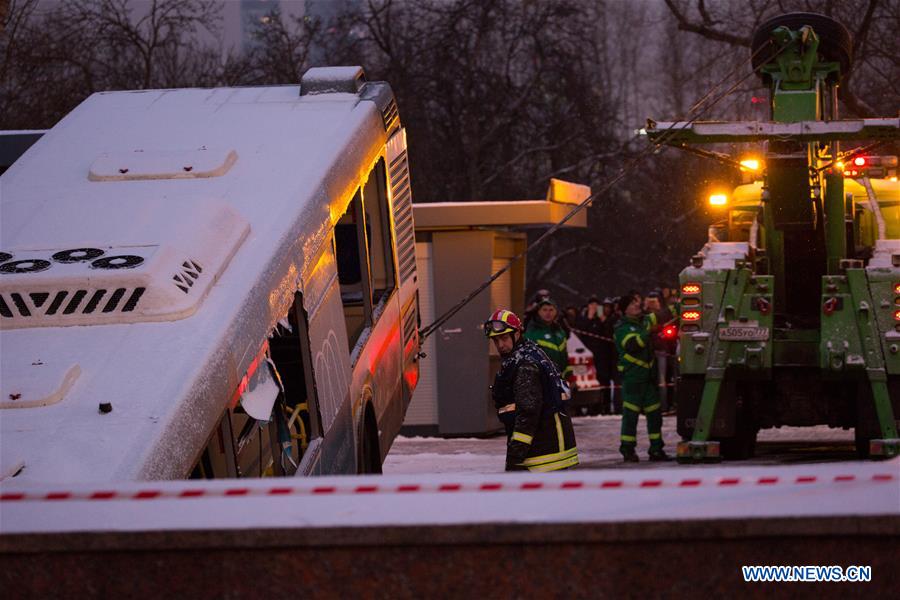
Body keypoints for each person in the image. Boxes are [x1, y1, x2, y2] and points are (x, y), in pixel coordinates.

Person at [485, 309, 578, 472]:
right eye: (496, 340)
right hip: (547, 449)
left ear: (517, 334)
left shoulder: (525, 365)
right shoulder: (526, 354)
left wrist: (515, 455)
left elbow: (528, 412)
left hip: (543, 454)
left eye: (504, 338)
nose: (500, 345)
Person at [614, 293, 669, 462]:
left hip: (649, 378)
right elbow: (632, 345)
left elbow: (665, 314)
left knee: (655, 416)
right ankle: (628, 450)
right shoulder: (622, 328)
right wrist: (649, 333)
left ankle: (656, 449)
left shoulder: (646, 320)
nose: (637, 305)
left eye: (637, 302)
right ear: (624, 310)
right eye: (632, 304)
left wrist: (684, 304)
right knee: (631, 416)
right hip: (633, 379)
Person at [524, 297, 571, 379]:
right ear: (538, 312)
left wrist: (570, 377)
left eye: (551, 310)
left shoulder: (560, 332)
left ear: (556, 312)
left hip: (559, 380)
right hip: (541, 380)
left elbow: (565, 357)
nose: (548, 313)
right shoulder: (532, 333)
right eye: (544, 310)